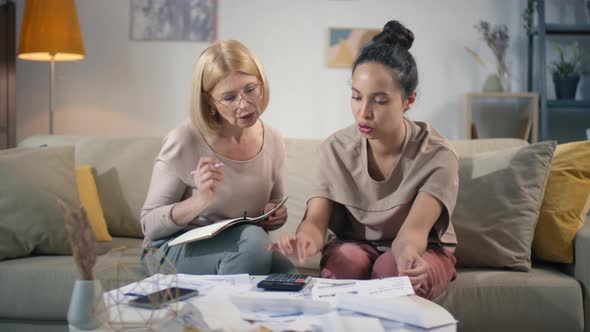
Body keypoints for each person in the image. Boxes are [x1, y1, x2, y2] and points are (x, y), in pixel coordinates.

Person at [269, 21, 459, 300]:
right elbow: (315, 223)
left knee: (394, 271)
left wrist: (407, 258)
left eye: (380, 101)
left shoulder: (437, 155)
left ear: (409, 100)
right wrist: (305, 240)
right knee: (345, 263)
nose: (363, 113)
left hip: (419, 247)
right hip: (353, 244)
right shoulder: (335, 149)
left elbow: (413, 234)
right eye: (357, 97)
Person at [140, 40, 295, 275]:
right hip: (170, 249)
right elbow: (149, 225)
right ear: (209, 101)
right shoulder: (184, 139)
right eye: (229, 98)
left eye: (250, 89)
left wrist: (275, 215)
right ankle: (225, 311)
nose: (244, 104)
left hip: (242, 245)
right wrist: (199, 200)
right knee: (253, 241)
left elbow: (274, 206)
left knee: (289, 276)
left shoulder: (272, 138)